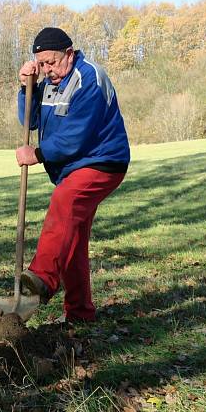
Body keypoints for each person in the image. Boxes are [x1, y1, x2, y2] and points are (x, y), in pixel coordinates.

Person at [15, 27, 130, 322]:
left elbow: (75, 136)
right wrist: (26, 87)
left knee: (64, 201)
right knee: (73, 239)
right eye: (40, 64)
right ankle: (80, 314)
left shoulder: (88, 78)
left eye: (51, 62)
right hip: (74, 167)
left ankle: (42, 278)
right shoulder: (51, 81)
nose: (47, 69)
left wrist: (37, 155)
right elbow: (31, 120)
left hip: (102, 161)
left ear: (69, 53)